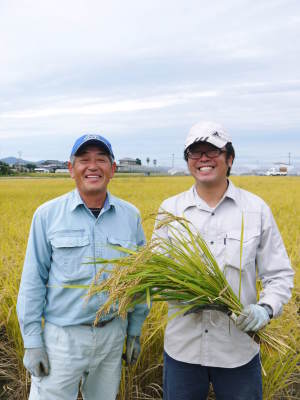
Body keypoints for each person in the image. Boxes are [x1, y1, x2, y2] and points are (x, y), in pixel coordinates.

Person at [154, 121, 294, 400]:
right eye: (195, 153)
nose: (204, 159)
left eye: (213, 151)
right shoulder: (171, 210)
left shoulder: (255, 209)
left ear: (229, 158)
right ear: (188, 162)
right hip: (183, 350)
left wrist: (265, 310)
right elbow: (157, 272)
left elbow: (279, 275)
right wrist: (182, 292)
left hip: (238, 351)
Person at [17, 134, 149, 400]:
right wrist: (32, 342)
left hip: (112, 334)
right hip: (63, 338)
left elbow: (140, 279)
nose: (92, 166)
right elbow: (33, 280)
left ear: (112, 169)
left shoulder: (130, 216)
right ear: (71, 169)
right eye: (84, 160)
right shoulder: (47, 215)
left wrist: (134, 331)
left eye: (101, 159)